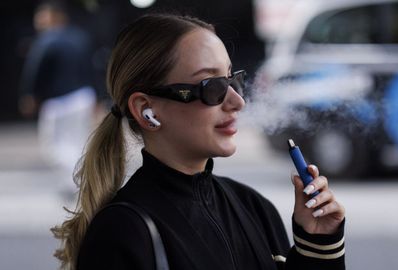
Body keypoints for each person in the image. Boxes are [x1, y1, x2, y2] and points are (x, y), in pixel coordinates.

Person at [51, 13, 346, 270]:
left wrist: (318, 242)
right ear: (146, 111)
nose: (237, 101)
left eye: (232, 80)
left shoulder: (254, 207)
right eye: (212, 86)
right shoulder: (122, 232)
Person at [18, 1, 96, 195]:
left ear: (54, 17)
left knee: (53, 148)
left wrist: (30, 95)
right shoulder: (81, 37)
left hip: (59, 101)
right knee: (77, 143)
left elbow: (34, 71)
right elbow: (93, 69)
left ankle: (79, 183)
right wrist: (99, 97)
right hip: (84, 96)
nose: (38, 21)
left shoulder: (47, 39)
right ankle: (85, 181)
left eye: (42, 16)